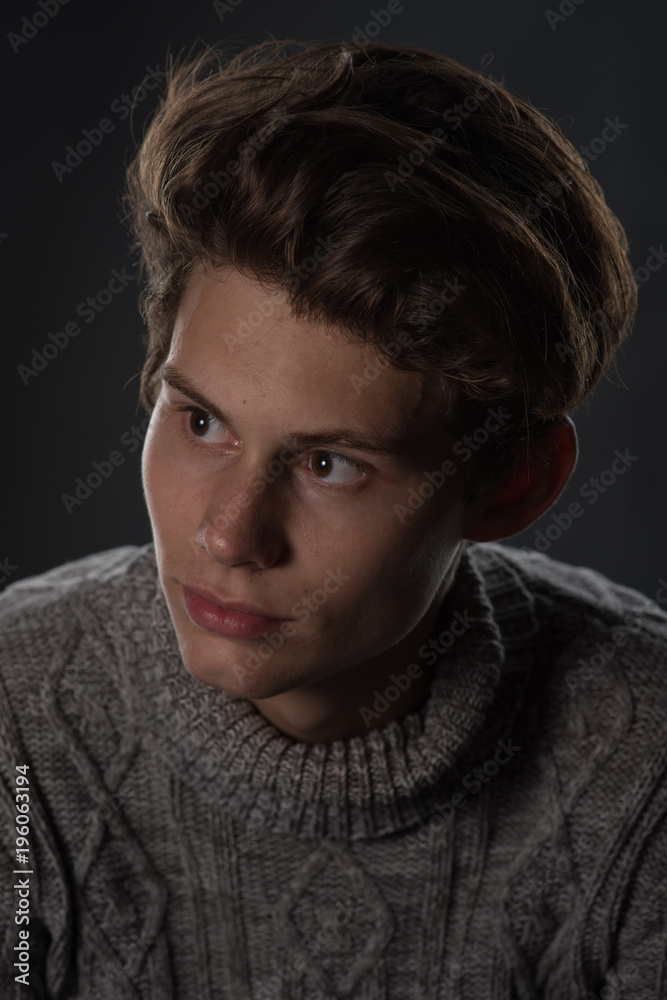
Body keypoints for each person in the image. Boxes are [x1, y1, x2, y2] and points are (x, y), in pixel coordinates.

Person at [1, 36, 665, 999]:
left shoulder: (645, 772)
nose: (230, 537)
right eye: (200, 422)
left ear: (511, 484)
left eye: (328, 463)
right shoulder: (16, 723)